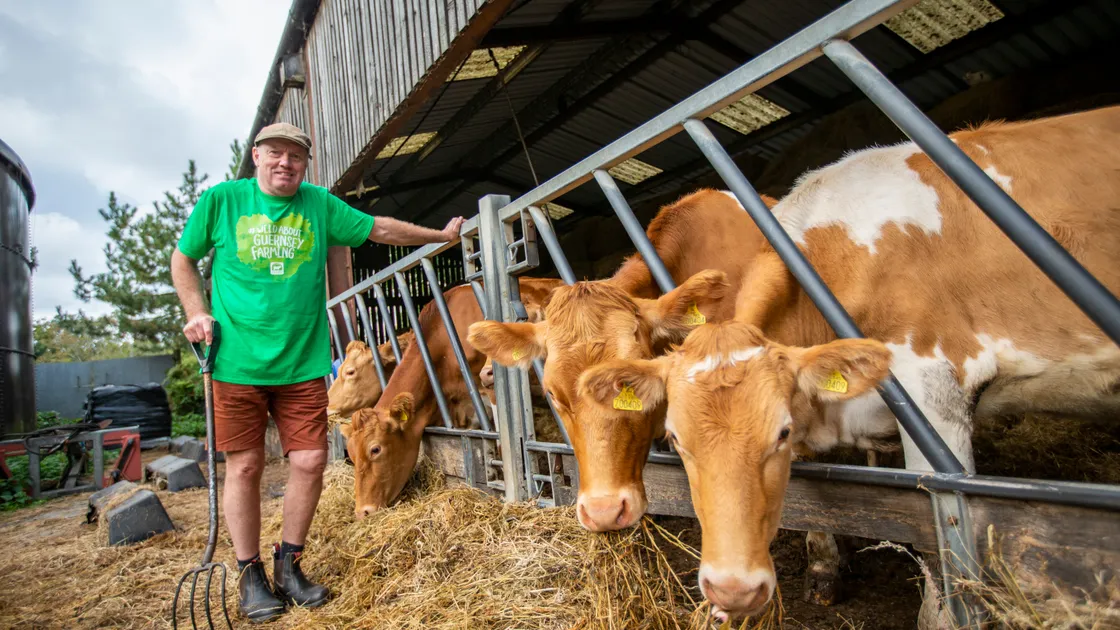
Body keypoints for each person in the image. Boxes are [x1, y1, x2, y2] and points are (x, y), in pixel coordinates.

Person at [171, 122, 464, 623]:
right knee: (245, 467)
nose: (285, 163)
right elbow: (183, 259)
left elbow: (380, 228)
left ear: (306, 164)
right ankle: (250, 577)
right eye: (276, 154)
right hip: (235, 362)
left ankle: (290, 566)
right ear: (258, 157)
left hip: (302, 363)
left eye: (296, 157)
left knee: (308, 461)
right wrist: (196, 311)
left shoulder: (319, 204)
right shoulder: (222, 200)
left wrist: (439, 237)